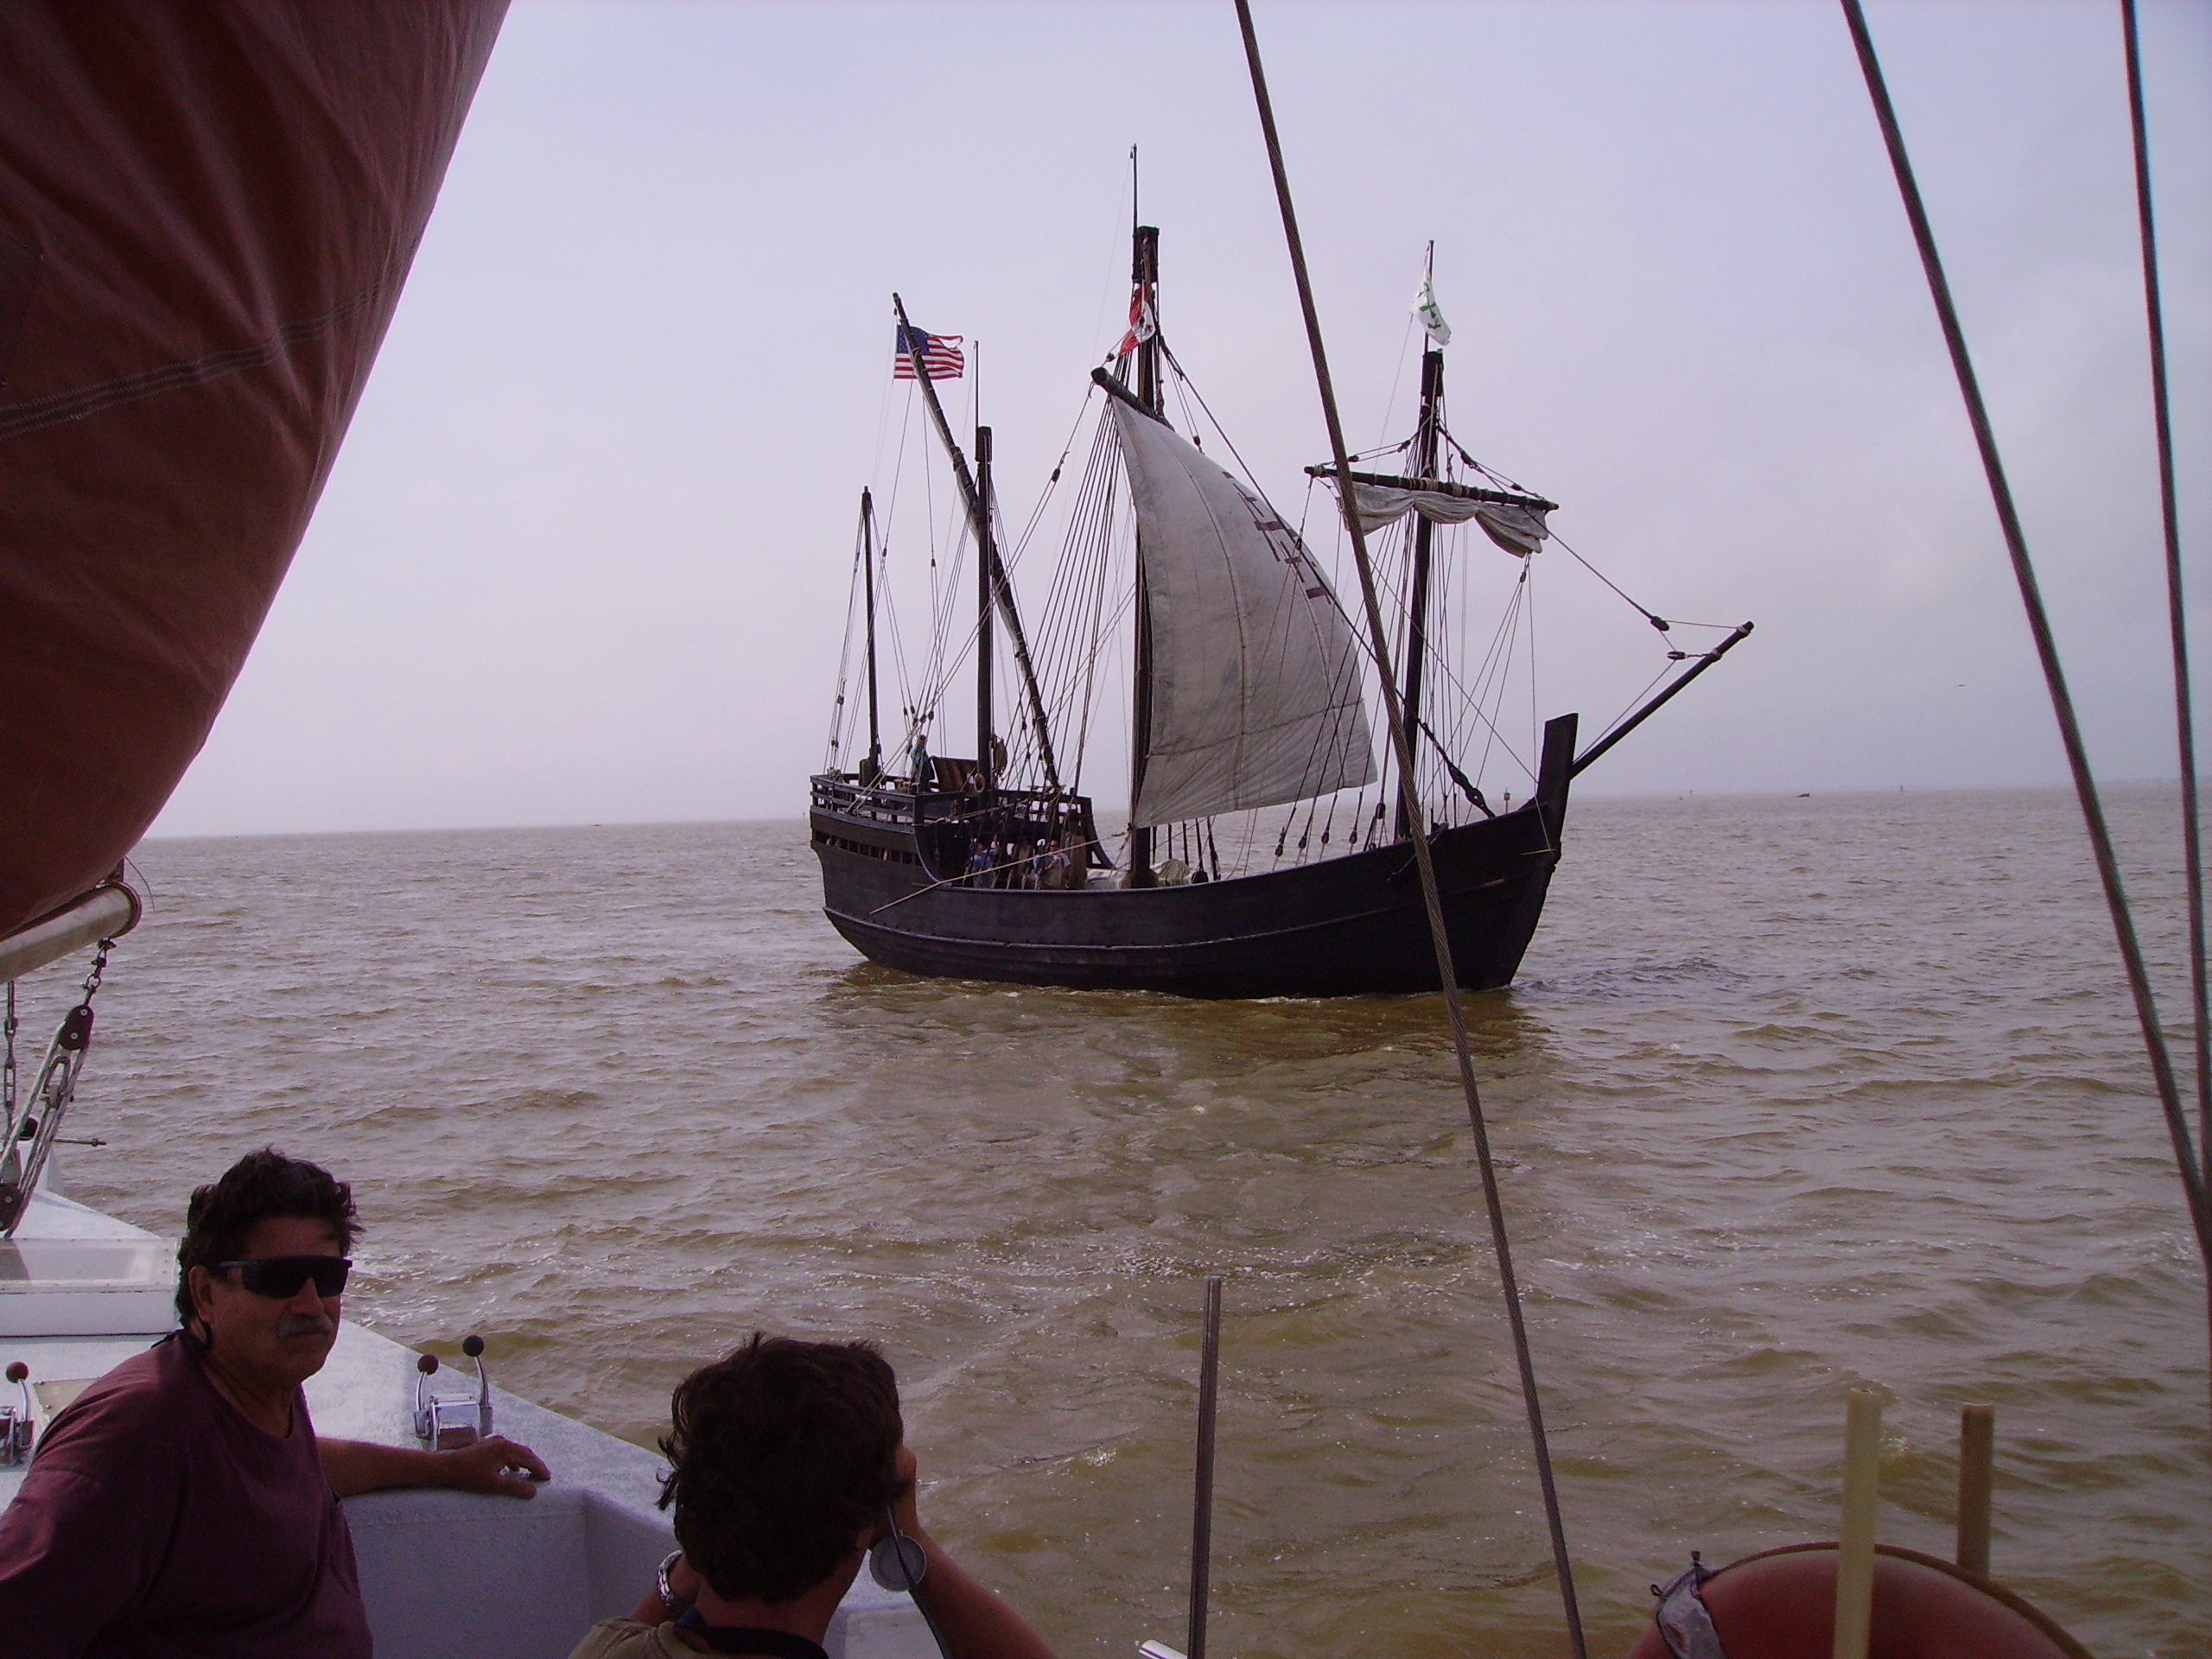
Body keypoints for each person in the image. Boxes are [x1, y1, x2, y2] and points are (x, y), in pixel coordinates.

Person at [0, 1147, 551, 1658]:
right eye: (281, 1279)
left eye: (327, 1277)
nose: (311, 1304)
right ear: (206, 1294)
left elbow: (291, 1469)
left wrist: (444, 1469)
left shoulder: (260, 1390)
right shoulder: (133, 1437)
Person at [572, 1334, 1054, 1659]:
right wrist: (909, 1540)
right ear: (867, 1519)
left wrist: (699, 1559)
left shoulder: (605, 1649)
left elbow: (631, 1638)